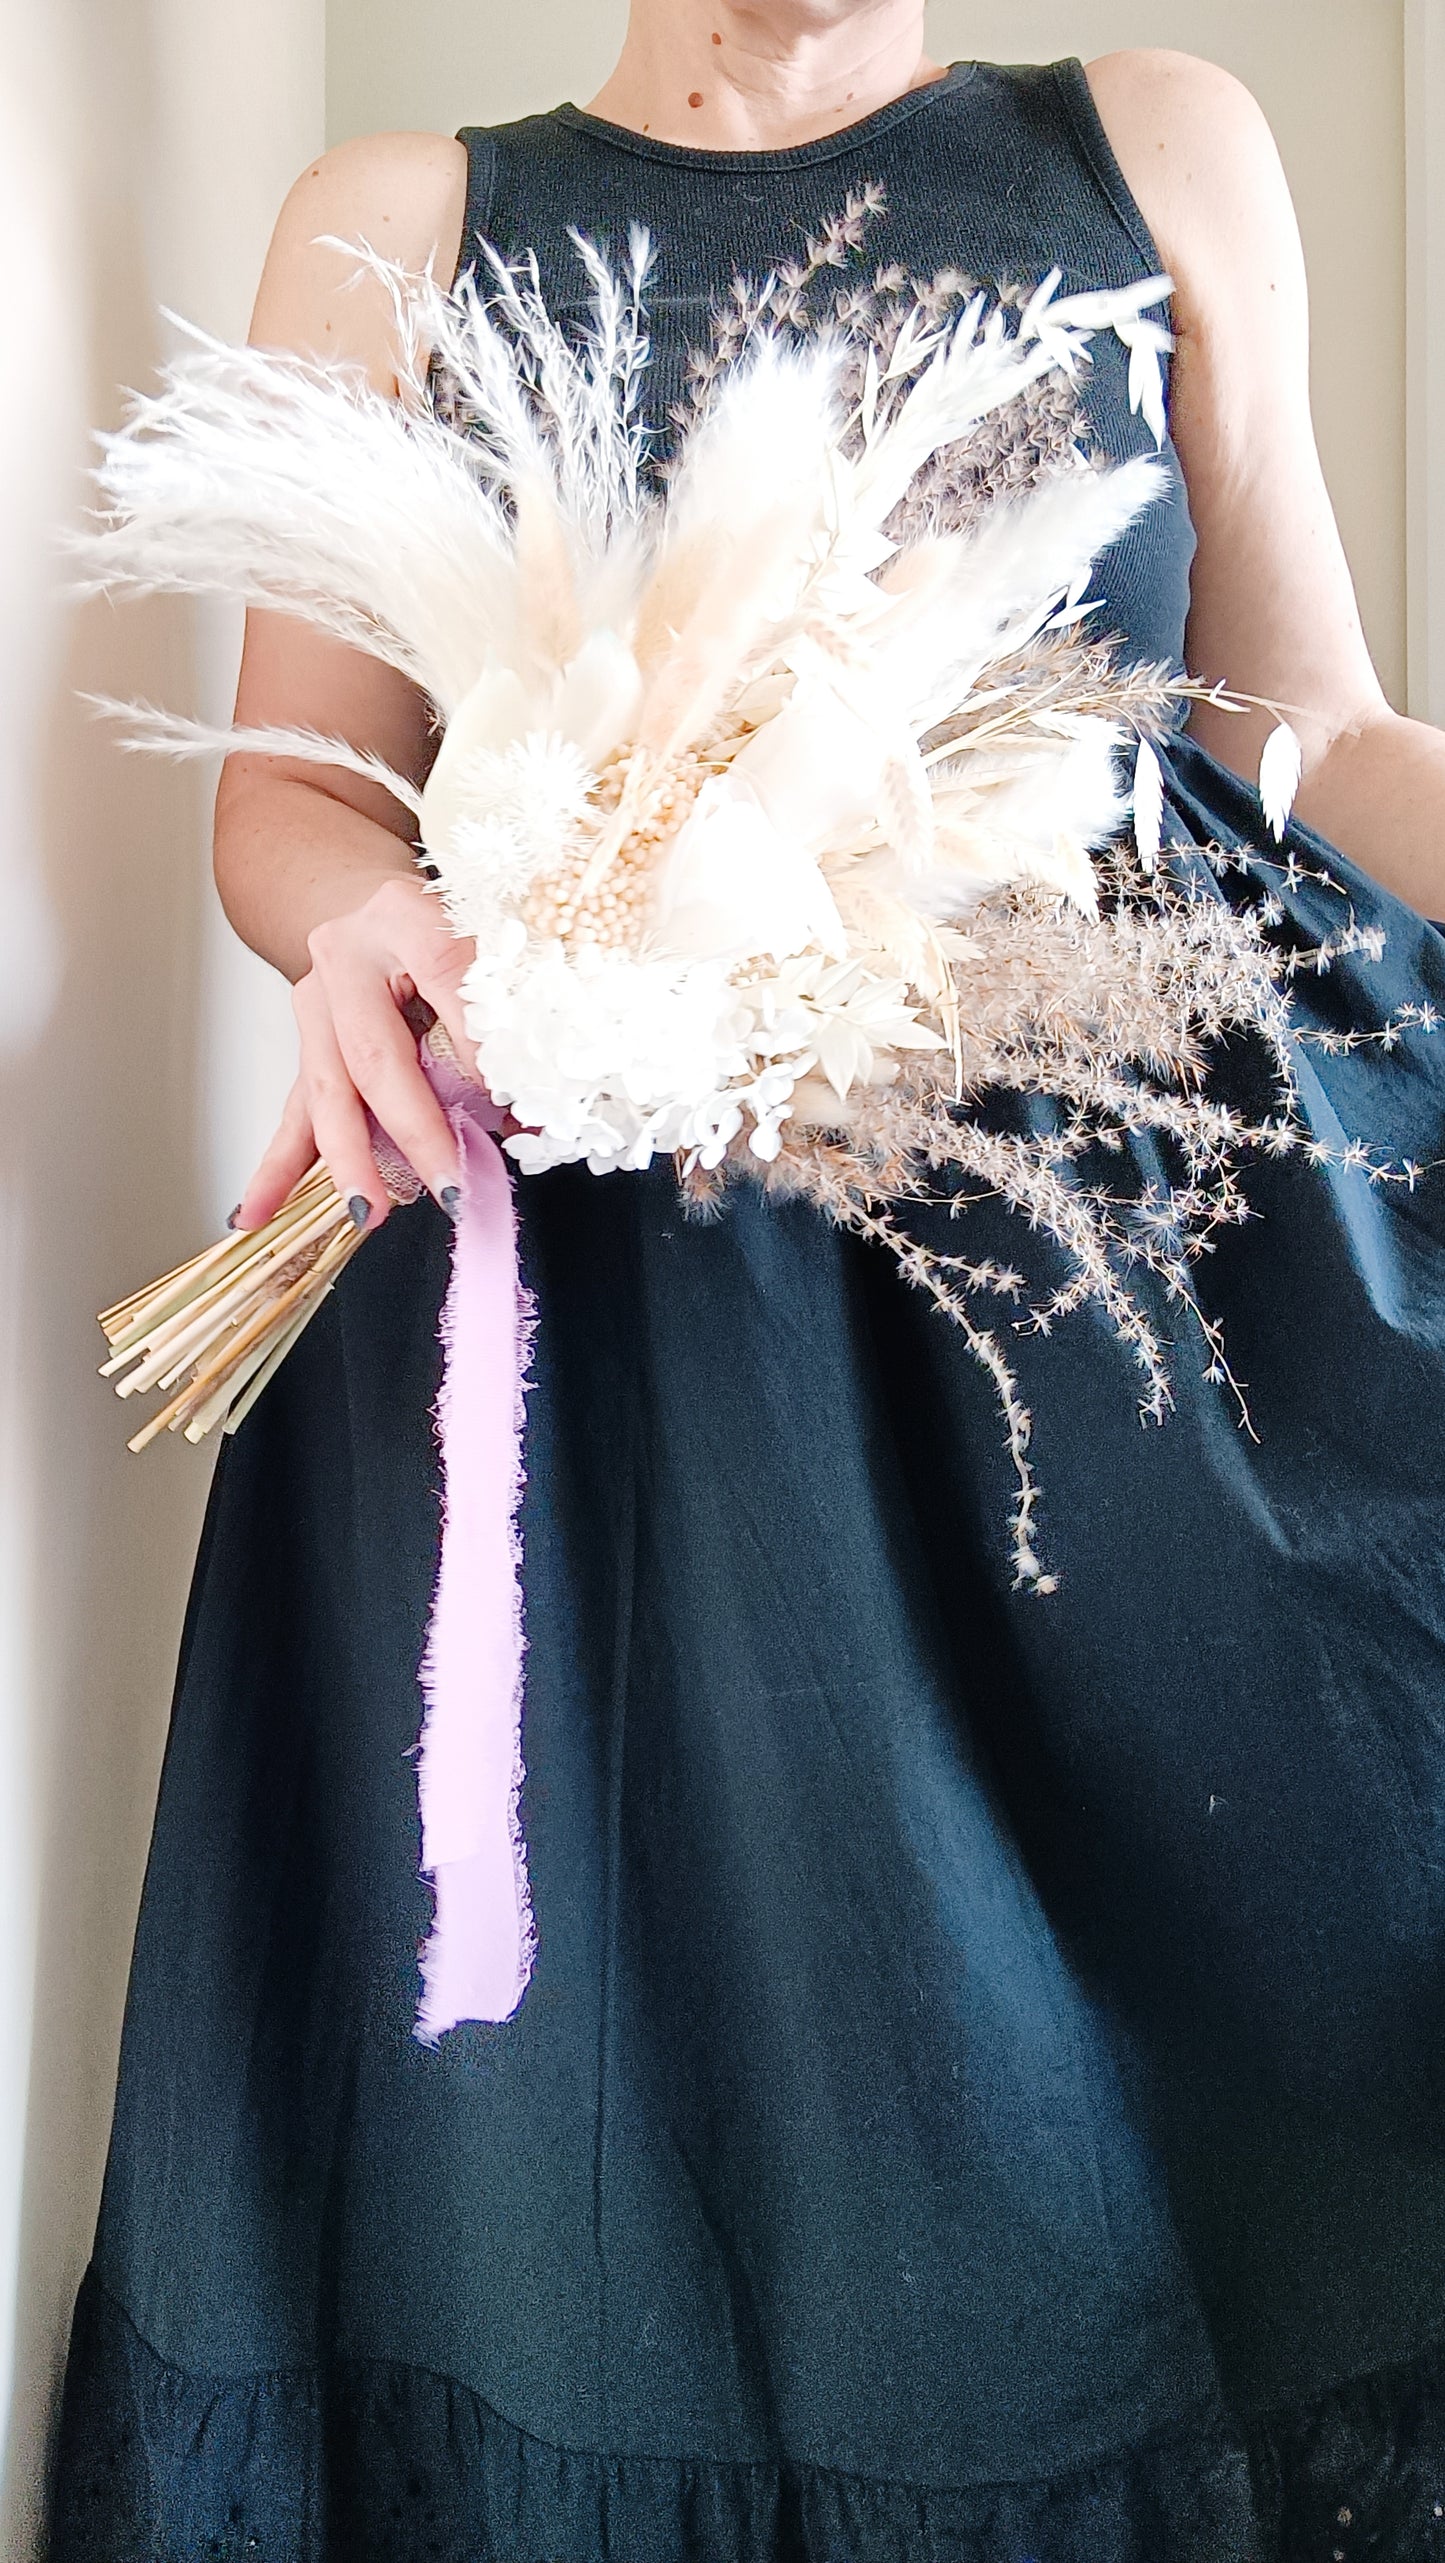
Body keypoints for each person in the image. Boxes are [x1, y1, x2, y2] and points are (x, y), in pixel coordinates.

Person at [49, 4, 1445, 2557]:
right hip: (595, 1382)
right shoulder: (396, 216)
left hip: (1089, 1362)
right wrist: (375, 921)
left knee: (1072, 2143)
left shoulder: (1158, 142)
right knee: (622, 2167)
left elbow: (1304, 717)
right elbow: (295, 795)